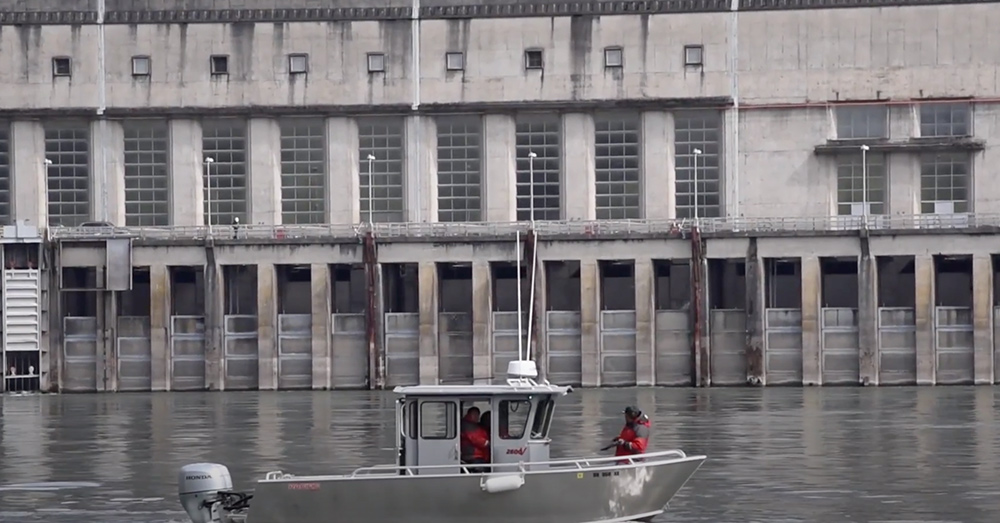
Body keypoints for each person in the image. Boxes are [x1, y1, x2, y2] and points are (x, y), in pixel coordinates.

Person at [460, 407, 490, 472]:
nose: (477, 417)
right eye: (475, 415)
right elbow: (475, 438)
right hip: (473, 456)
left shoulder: (474, 425)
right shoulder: (468, 425)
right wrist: (487, 443)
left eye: (478, 415)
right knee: (483, 469)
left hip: (479, 455)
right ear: (470, 414)